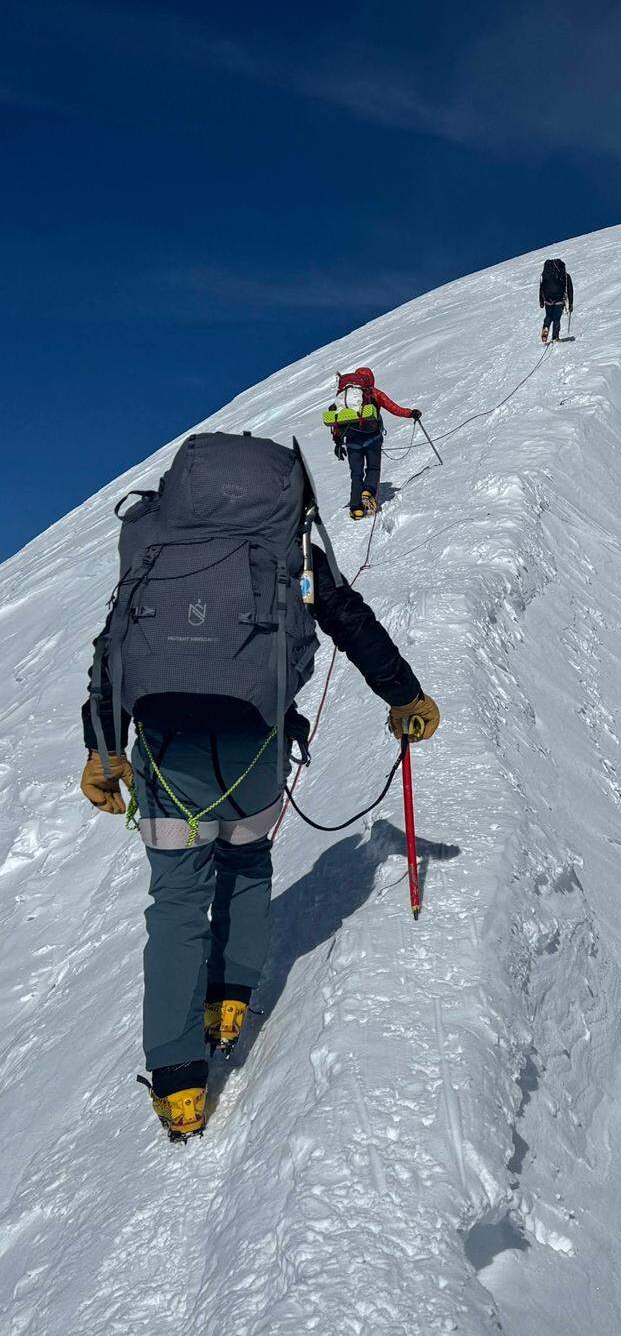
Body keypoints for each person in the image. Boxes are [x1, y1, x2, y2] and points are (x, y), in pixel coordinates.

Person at [79, 430, 441, 1141]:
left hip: (164, 747)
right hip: (255, 742)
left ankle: (179, 1085)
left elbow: (113, 644)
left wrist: (103, 747)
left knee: (177, 899)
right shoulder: (289, 543)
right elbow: (346, 619)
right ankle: (230, 1000)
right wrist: (405, 696)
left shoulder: (155, 535)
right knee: (245, 860)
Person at [326, 368, 420, 518]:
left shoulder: (342, 397)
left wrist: (337, 442)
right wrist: (411, 413)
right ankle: (368, 491)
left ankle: (356, 508)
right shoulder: (372, 392)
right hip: (372, 438)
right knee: (373, 468)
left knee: (356, 474)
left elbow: (337, 421)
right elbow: (393, 408)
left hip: (351, 442)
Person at [538, 258, 574, 344]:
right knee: (556, 318)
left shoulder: (545, 275)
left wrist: (541, 301)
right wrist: (571, 304)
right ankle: (555, 337)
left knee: (549, 316)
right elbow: (570, 290)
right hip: (559, 300)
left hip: (548, 299)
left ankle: (546, 327)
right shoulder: (565, 276)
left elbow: (541, 288)